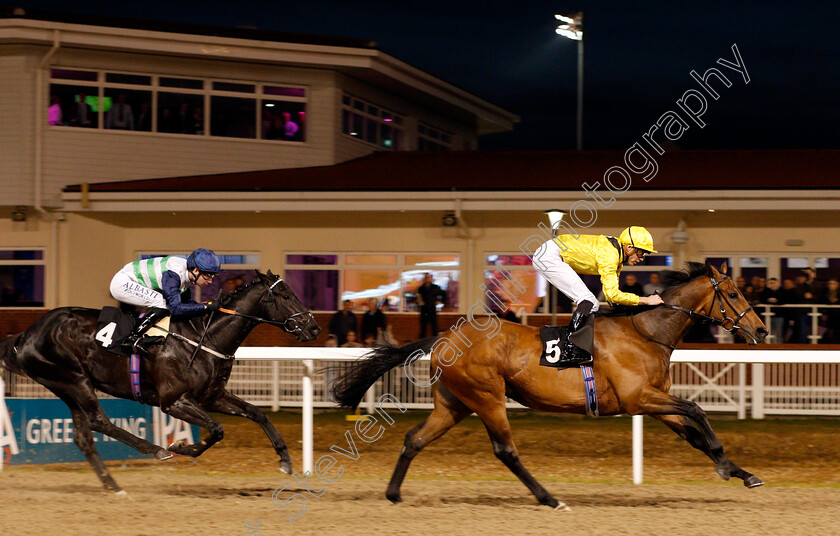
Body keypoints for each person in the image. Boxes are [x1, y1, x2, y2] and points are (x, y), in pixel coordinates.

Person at [533, 226, 664, 365]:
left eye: (644, 254)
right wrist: (645, 300)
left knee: (592, 303)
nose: (642, 258)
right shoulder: (611, 255)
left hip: (551, 252)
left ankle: (574, 347)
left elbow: (612, 300)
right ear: (629, 247)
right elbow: (613, 296)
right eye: (641, 252)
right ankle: (569, 349)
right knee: (588, 301)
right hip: (549, 256)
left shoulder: (617, 257)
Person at [109, 248, 221, 354]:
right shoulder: (174, 275)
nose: (210, 281)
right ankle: (133, 338)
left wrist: (208, 309)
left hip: (132, 281)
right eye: (208, 276)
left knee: (164, 302)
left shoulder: (187, 273)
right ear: (196, 270)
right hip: (123, 283)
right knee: (163, 303)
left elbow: (187, 304)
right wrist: (205, 307)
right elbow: (175, 308)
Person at [416, 273, 447, 338]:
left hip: (432, 309)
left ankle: (435, 343)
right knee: (423, 329)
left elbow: (444, 295)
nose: (427, 279)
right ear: (424, 279)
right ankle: (422, 344)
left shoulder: (436, 287)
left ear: (431, 279)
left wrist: (440, 301)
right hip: (423, 310)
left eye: (429, 277)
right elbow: (418, 298)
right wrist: (418, 302)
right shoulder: (420, 288)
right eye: (426, 278)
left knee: (434, 328)